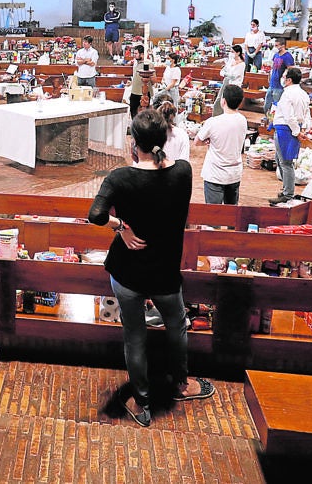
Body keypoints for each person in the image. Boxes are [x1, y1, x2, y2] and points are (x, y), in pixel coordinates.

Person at [88, 109, 214, 428]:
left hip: (127, 272)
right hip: (165, 273)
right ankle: (183, 385)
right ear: (165, 137)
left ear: (134, 143)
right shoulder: (183, 172)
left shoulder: (119, 178)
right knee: (177, 325)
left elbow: (96, 215)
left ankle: (142, 401)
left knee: (134, 336)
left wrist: (122, 228)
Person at [195, 84, 248, 205]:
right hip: (234, 173)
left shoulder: (213, 122)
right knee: (232, 215)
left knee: (214, 217)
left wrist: (207, 141)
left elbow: (197, 141)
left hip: (215, 173)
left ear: (223, 101)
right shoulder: (242, 120)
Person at [269, 67, 311, 205]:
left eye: (285, 76)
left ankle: (288, 194)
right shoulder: (304, 94)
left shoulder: (287, 94)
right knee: (280, 159)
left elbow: (289, 116)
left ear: (289, 80)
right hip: (294, 128)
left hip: (286, 130)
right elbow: (307, 115)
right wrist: (303, 129)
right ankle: (286, 188)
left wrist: (297, 132)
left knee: (286, 163)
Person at [265, 39, 294, 116]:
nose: (275, 47)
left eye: (277, 45)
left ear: (283, 46)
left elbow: (290, 69)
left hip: (279, 86)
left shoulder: (287, 56)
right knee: (267, 105)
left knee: (276, 106)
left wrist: (286, 80)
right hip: (272, 84)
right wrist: (269, 76)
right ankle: (267, 119)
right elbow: (272, 67)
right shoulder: (276, 55)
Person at [157, 98, 189, 163]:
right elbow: (184, 161)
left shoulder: (150, 132)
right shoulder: (182, 134)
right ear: (173, 116)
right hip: (176, 171)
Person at [216, 45, 245, 117]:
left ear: (238, 53)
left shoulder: (242, 64)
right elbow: (223, 71)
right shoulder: (231, 61)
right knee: (221, 99)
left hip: (235, 85)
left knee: (231, 103)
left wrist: (226, 74)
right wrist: (225, 73)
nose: (231, 53)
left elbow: (234, 76)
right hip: (227, 82)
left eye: (232, 52)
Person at [128, 44, 153, 118]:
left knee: (144, 115)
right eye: (134, 53)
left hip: (143, 93)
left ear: (142, 54)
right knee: (133, 113)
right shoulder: (135, 63)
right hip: (134, 92)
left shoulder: (149, 64)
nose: (134, 55)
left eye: (136, 53)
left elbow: (154, 80)